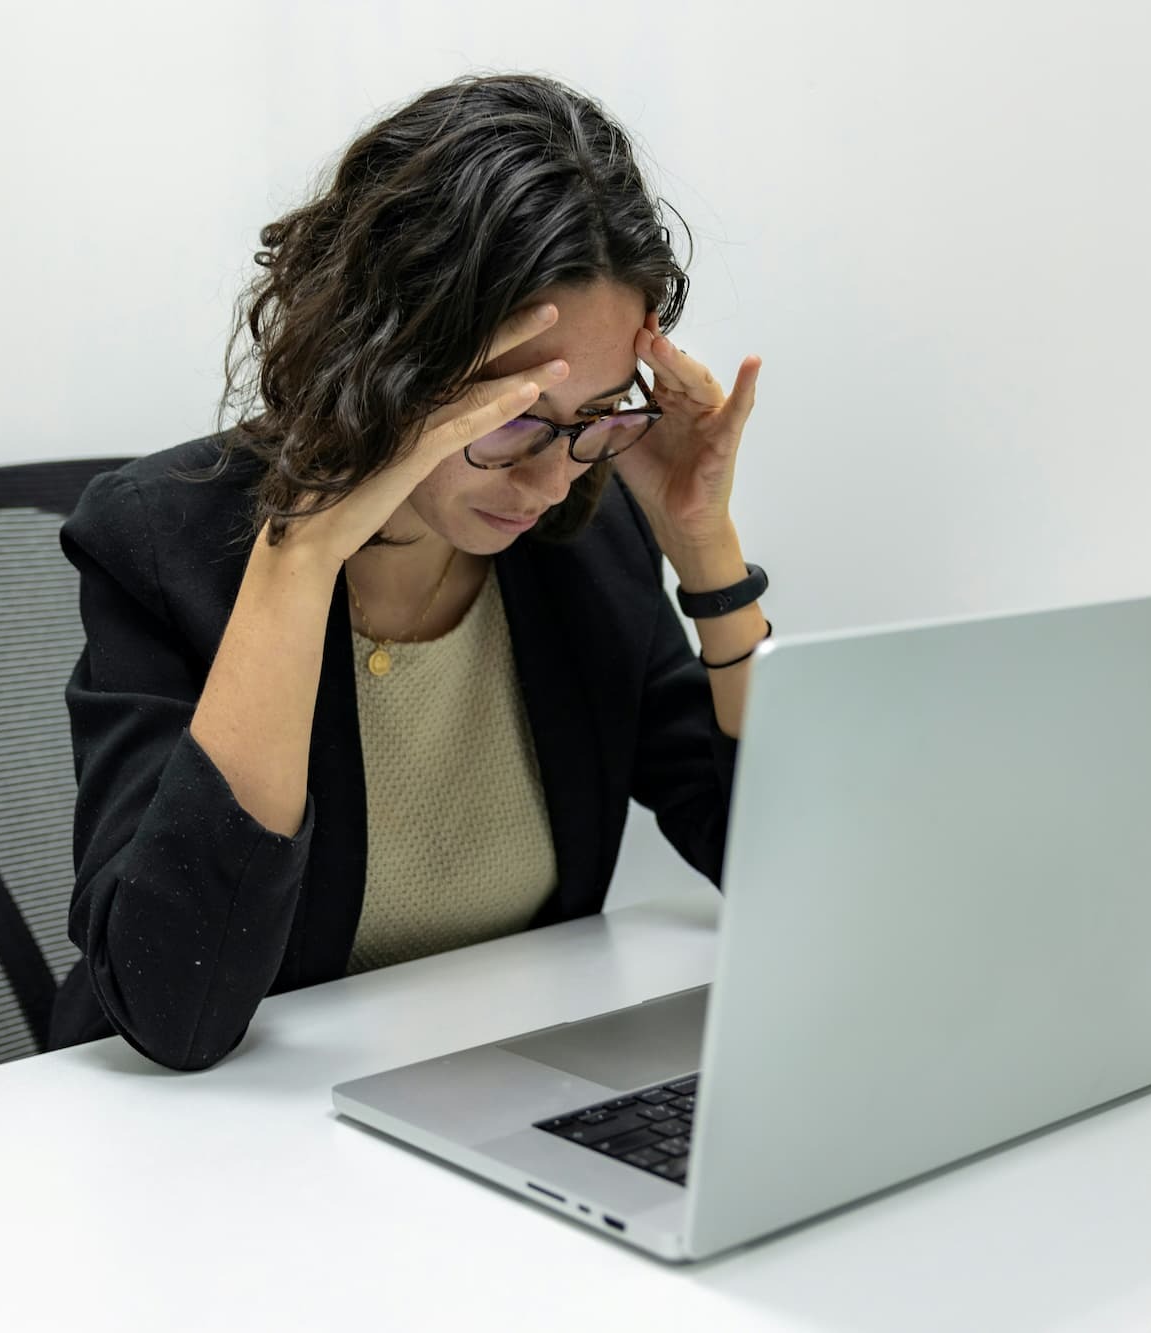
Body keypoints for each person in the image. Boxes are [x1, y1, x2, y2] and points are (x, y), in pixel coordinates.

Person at [48, 72, 769, 1070]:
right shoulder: (160, 542)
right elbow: (177, 1009)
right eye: (510, 416)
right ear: (381, 359)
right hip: (210, 1147)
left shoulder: (581, 543)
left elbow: (787, 871)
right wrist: (299, 560)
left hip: (487, 1094)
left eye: (598, 416)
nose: (550, 478)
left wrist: (704, 552)